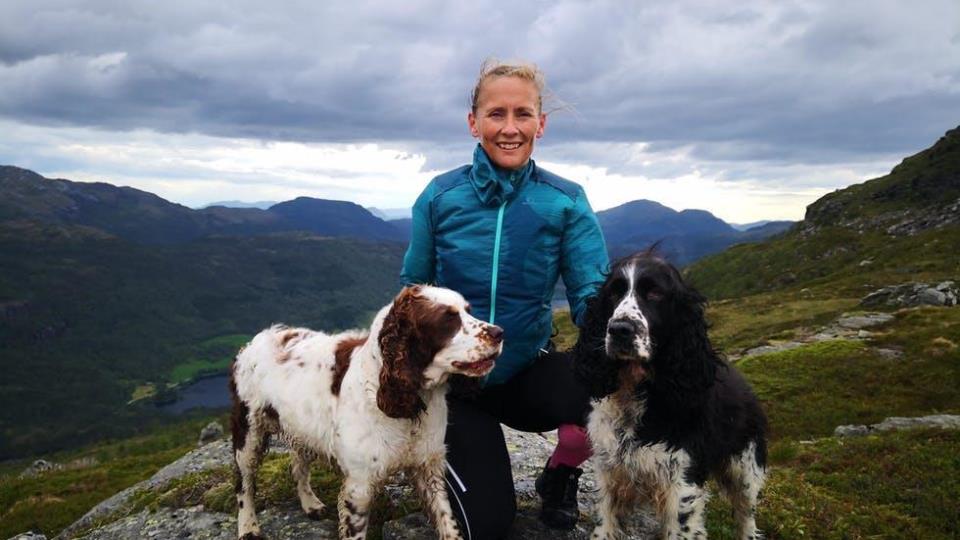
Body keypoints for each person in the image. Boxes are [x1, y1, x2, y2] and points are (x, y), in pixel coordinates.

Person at [400, 59, 609, 539]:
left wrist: (623, 340)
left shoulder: (565, 200)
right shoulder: (440, 197)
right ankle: (449, 458)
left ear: (541, 123)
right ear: (474, 123)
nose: (510, 128)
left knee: (610, 390)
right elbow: (413, 292)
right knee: (491, 525)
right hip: (456, 384)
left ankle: (561, 472)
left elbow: (591, 297)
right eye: (496, 114)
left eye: (523, 114)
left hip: (525, 371)